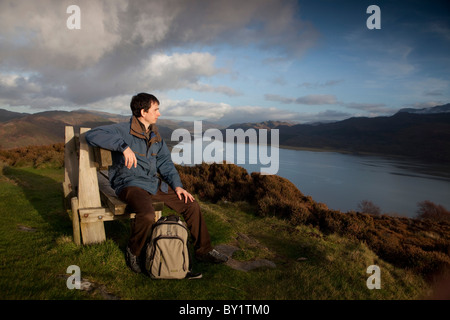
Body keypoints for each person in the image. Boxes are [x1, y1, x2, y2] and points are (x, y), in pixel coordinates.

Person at [85, 92, 228, 274]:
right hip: (129, 184)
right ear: (143, 112)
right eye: (156, 109)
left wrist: (177, 186)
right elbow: (92, 134)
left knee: (191, 205)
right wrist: (123, 147)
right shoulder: (122, 130)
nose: (159, 114)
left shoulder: (155, 135)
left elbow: (166, 164)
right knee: (146, 214)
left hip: (152, 183)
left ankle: (204, 250)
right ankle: (134, 251)